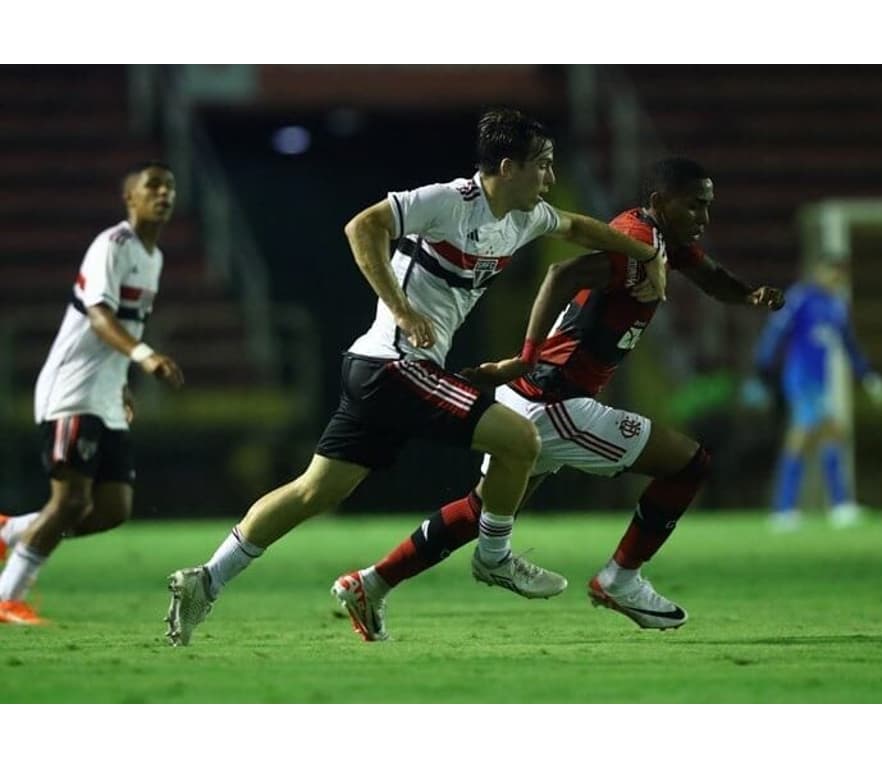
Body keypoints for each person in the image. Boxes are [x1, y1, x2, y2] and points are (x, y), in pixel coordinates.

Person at [164, 107, 669, 647]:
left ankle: (207, 580)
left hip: (375, 371)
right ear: (507, 166)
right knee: (520, 438)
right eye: (542, 166)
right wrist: (402, 309)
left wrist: (648, 253)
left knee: (313, 491)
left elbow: (578, 227)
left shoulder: (526, 217)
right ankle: (495, 556)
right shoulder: (453, 201)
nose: (550, 178)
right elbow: (363, 226)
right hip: (394, 365)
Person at [330, 157, 785, 641]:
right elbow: (561, 275)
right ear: (658, 203)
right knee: (689, 464)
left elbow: (710, 276)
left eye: (708, 207)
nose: (703, 218)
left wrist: (750, 294)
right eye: (694, 206)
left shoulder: (663, 243)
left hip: (540, 398)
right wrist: (525, 358)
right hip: (556, 400)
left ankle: (372, 582)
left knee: (480, 509)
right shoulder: (636, 243)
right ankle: (621, 579)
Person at [0, 162, 184, 625]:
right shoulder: (112, 245)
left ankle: (11, 531)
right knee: (71, 502)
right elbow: (99, 316)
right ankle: (7, 596)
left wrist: (121, 380)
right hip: (73, 389)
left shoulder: (153, 257)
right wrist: (144, 358)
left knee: (111, 509)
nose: (163, 194)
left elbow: (126, 322)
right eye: (153, 187)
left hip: (104, 393)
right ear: (131, 198)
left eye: (169, 188)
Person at [748, 257, 882, 531]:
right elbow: (775, 333)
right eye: (831, 272)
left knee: (830, 434)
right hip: (801, 378)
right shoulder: (800, 298)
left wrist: (868, 376)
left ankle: (828, 506)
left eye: (839, 274)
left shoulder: (836, 305)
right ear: (818, 272)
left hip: (819, 380)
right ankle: (787, 509)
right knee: (805, 435)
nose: (835, 278)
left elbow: (849, 344)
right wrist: (762, 372)